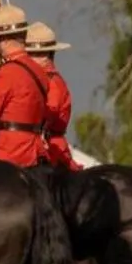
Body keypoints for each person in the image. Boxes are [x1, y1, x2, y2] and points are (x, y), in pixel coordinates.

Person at [0, 4, 51, 167]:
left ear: (5, 40)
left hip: (7, 153)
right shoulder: (39, 71)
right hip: (33, 152)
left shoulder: (7, 73)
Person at [26, 21, 76, 170]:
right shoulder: (44, 79)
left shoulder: (52, 83)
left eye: (32, 54)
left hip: (51, 148)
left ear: (46, 55)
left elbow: (48, 114)